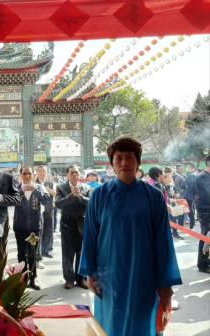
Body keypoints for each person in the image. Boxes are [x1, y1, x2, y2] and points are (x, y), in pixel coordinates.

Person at [79, 137, 182, 336]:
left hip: (144, 275)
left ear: (138, 162)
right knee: (109, 325)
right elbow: (90, 236)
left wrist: (165, 285)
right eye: (119, 158)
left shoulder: (153, 196)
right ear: (112, 164)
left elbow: (163, 242)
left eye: (129, 158)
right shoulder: (99, 196)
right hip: (109, 276)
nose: (124, 163)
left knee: (141, 323)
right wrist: (89, 274)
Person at [14, 166, 51, 290]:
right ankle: (23, 278)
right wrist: (21, 192)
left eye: (29, 173)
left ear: (33, 175)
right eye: (24, 173)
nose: (27, 176)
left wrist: (35, 190)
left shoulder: (39, 187)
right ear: (21, 175)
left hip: (34, 228)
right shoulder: (16, 188)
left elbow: (47, 201)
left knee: (32, 253)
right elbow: (10, 200)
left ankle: (33, 278)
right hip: (20, 226)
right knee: (21, 254)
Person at [55, 165, 90, 289]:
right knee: (68, 254)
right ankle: (69, 279)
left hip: (82, 224)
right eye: (72, 173)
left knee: (81, 253)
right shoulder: (61, 187)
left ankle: (81, 279)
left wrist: (80, 197)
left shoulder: (86, 188)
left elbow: (90, 203)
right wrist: (71, 196)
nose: (74, 175)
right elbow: (58, 204)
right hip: (67, 224)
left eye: (76, 172)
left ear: (79, 174)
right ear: (67, 175)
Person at [35, 165, 55, 259]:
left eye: (43, 171)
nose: (42, 173)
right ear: (36, 172)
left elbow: (56, 194)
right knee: (39, 231)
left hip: (49, 209)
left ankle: (47, 250)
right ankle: (38, 252)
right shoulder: (33, 183)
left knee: (49, 230)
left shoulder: (50, 183)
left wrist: (48, 190)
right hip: (37, 210)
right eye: (40, 171)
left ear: (46, 172)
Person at [195, 156, 210, 274]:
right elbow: (203, 197)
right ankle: (202, 264)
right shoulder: (201, 178)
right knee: (205, 237)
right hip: (206, 213)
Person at [163, 169, 185, 240]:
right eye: (169, 177)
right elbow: (165, 196)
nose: (170, 178)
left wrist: (176, 195)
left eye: (171, 177)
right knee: (172, 220)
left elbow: (172, 193)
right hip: (168, 205)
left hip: (173, 203)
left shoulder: (171, 184)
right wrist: (170, 199)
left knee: (174, 219)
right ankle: (174, 234)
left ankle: (174, 233)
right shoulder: (164, 186)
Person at [183, 163, 198, 229]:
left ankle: (192, 224)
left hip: (189, 195)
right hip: (191, 195)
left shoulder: (191, 176)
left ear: (192, 168)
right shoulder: (193, 175)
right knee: (190, 209)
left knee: (189, 210)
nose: (187, 169)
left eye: (189, 167)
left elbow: (184, 185)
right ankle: (192, 223)